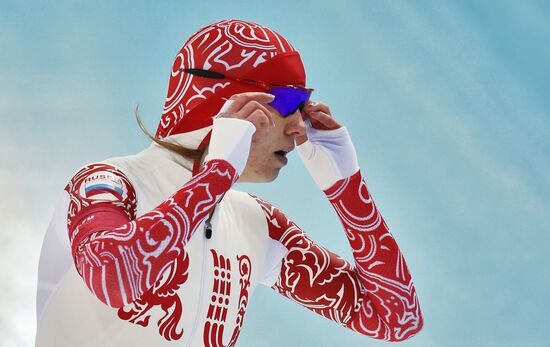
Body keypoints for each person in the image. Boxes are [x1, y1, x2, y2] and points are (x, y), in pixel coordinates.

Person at [35, 19, 423, 346]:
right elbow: (113, 276)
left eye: (306, 107)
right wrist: (217, 174)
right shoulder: (109, 183)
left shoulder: (256, 224)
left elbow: (396, 317)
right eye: (289, 102)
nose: (299, 126)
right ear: (229, 103)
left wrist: (347, 188)